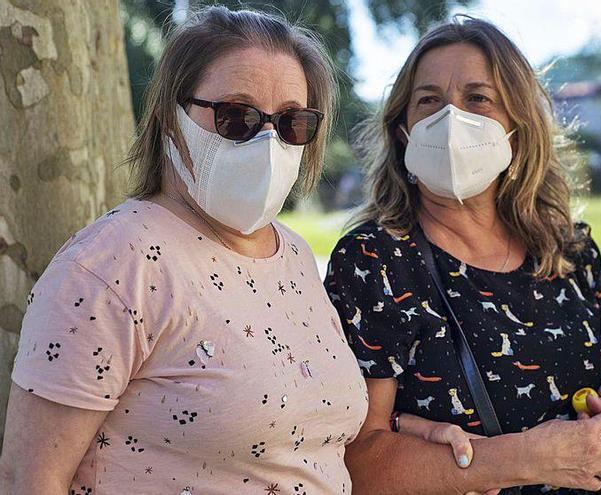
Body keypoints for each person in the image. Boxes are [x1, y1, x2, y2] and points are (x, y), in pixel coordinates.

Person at [0, 7, 368, 494]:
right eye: (237, 116)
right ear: (170, 119)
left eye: (292, 123)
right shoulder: (112, 263)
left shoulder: (294, 255)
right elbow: (30, 479)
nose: (267, 141)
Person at [324, 16, 601, 494]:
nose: (450, 119)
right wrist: (526, 458)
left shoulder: (568, 249)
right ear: (404, 130)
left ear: (517, 126)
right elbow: (356, 463)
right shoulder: (373, 262)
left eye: (478, 98)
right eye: (428, 101)